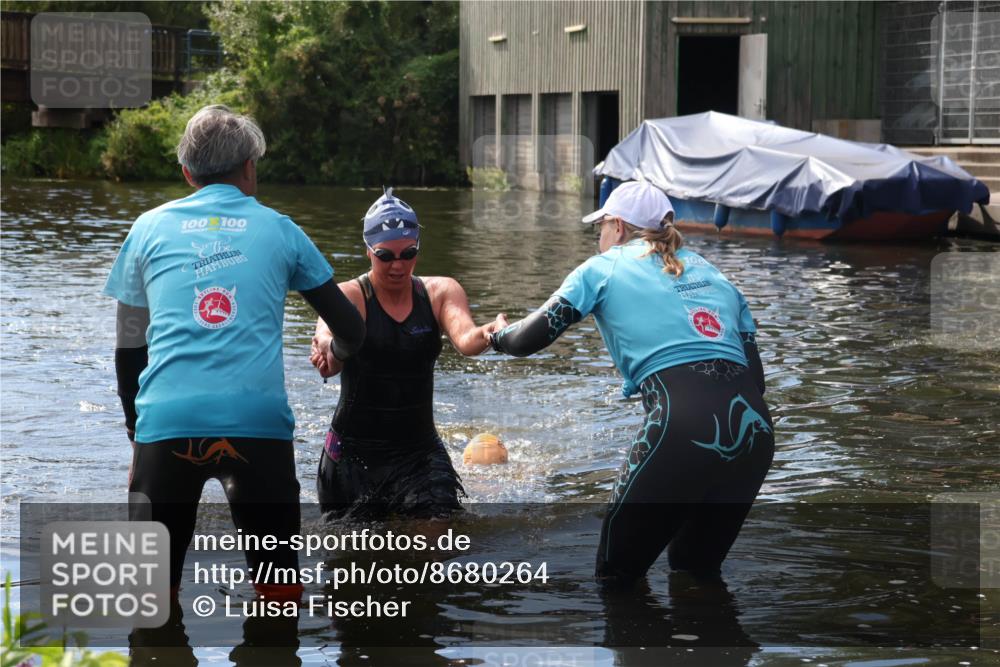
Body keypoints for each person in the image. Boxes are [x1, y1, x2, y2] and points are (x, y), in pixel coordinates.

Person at [104, 104, 365, 602]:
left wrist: (138, 436)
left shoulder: (147, 228)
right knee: (279, 592)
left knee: (151, 597)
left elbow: (129, 349)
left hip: (167, 424)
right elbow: (351, 326)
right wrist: (336, 351)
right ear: (249, 168)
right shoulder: (281, 229)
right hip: (257, 426)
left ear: (187, 173)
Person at [489, 181, 774, 586]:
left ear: (618, 227)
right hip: (756, 432)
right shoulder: (715, 274)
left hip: (680, 426)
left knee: (616, 576)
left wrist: (497, 335)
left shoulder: (602, 268)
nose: (599, 238)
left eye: (600, 227)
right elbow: (756, 380)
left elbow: (525, 340)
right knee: (696, 572)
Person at [309, 188, 505, 518]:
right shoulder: (350, 296)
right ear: (368, 250)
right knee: (358, 550)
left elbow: (466, 340)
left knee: (437, 535)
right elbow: (326, 340)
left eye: (409, 253)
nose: (398, 265)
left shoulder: (440, 292)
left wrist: (491, 332)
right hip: (353, 457)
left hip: (419, 453)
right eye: (386, 256)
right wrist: (328, 350)